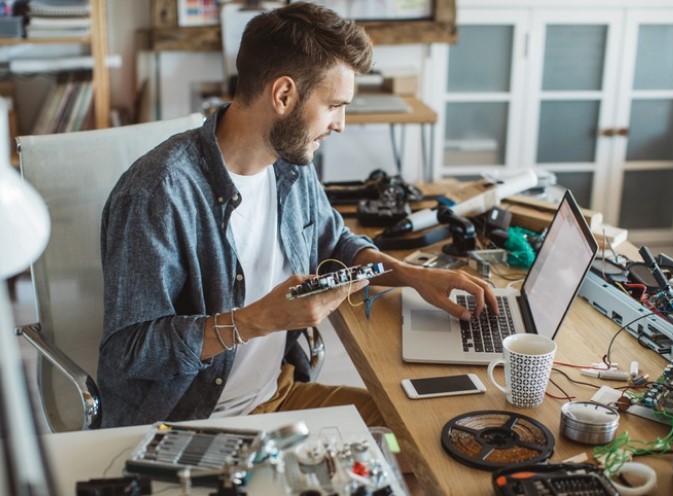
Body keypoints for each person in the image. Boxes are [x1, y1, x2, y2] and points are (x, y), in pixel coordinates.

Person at [97, 1, 497, 429]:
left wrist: (414, 276)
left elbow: (335, 243)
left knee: (429, 433)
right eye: (334, 106)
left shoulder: (289, 163)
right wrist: (258, 320)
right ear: (284, 95)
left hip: (278, 397)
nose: (341, 124)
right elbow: (129, 352)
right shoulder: (158, 193)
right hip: (185, 423)